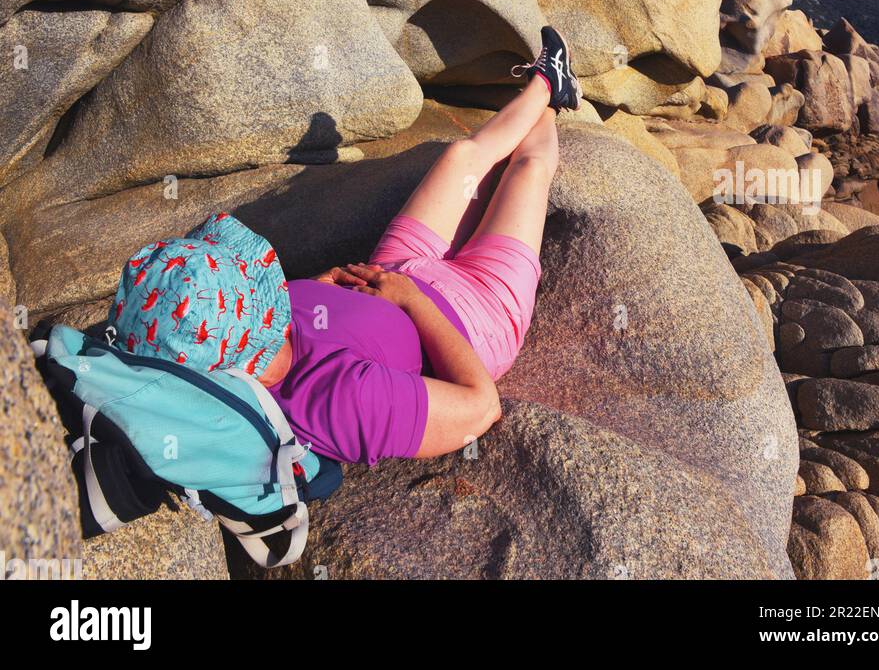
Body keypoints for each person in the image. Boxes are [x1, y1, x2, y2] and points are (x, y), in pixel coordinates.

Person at [107, 27, 581, 468]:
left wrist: (323, 285)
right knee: (527, 170)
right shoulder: (335, 402)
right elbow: (482, 407)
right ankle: (553, 92)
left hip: (393, 269)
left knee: (462, 155)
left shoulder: (245, 331)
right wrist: (409, 298)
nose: (259, 285)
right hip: (476, 316)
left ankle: (543, 81)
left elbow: (302, 321)